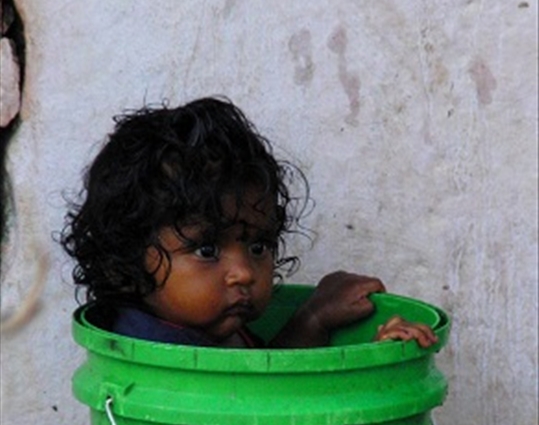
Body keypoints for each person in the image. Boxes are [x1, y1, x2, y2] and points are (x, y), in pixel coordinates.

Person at [61, 97, 437, 350]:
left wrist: (316, 319)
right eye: (207, 250)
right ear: (125, 264)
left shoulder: (212, 329)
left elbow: (262, 386)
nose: (243, 273)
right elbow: (260, 409)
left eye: (259, 246)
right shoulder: (146, 347)